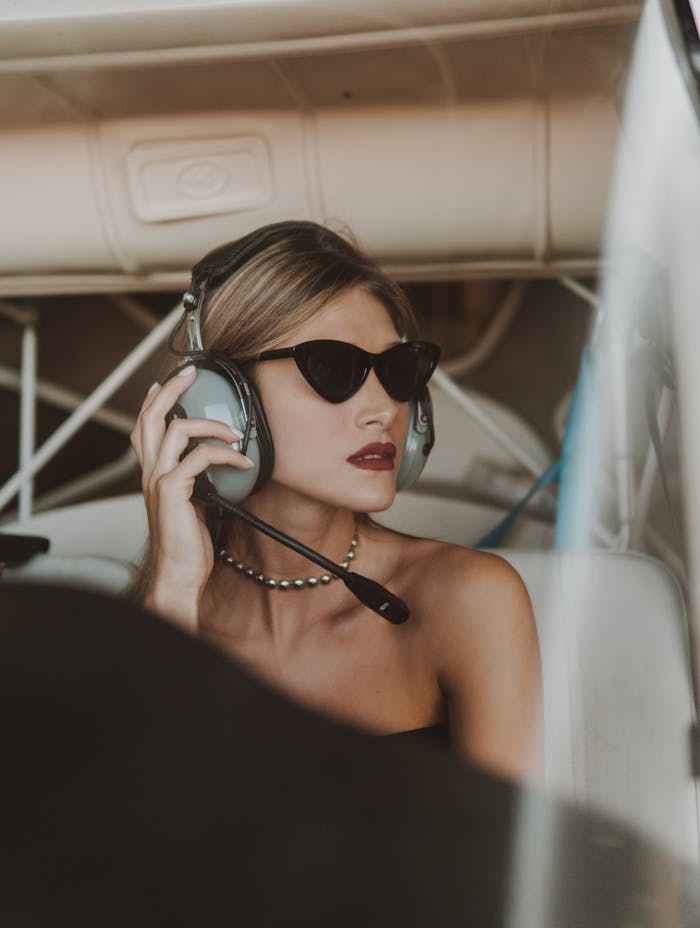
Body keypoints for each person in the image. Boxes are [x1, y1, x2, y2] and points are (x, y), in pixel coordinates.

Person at [130, 220, 542, 782]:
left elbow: (514, 868)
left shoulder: (469, 599)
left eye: (399, 371)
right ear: (223, 401)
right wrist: (174, 596)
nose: (383, 410)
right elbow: (133, 852)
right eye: (332, 369)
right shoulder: (147, 620)